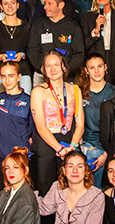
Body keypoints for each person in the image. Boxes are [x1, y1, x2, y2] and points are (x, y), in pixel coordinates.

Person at [29, 51, 84, 193]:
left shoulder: (75, 89)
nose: (53, 69)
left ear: (64, 67)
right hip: (46, 143)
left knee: (68, 189)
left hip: (69, 142)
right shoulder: (38, 91)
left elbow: (80, 124)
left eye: (56, 65)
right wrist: (59, 149)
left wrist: (71, 147)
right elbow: (40, 126)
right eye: (48, 66)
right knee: (45, 189)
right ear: (43, 70)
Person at [0, 61, 33, 189]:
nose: (7, 80)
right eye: (3, 76)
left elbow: (33, 131)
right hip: (0, 156)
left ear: (19, 77)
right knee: (1, 197)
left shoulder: (28, 100)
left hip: (19, 158)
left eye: (11, 76)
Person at [27, 0, 85, 77]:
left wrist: (66, 69)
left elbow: (79, 53)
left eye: (49, 4)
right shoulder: (38, 25)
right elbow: (32, 50)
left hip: (67, 76)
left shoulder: (73, 26)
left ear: (61, 5)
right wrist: (42, 67)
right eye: (45, 3)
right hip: (42, 75)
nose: (45, 7)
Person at [78, 53, 115, 177]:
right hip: (86, 147)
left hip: (110, 148)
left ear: (105, 67)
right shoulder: (79, 92)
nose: (96, 71)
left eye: (99, 66)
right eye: (92, 68)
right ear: (86, 71)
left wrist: (106, 153)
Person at [0, 0, 33, 93]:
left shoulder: (27, 27)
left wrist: (23, 55)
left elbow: (33, 49)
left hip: (23, 72)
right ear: (1, 7)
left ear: (18, 5)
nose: (10, 6)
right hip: (0, 73)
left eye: (13, 3)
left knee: (24, 105)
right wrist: (0, 57)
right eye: (6, 3)